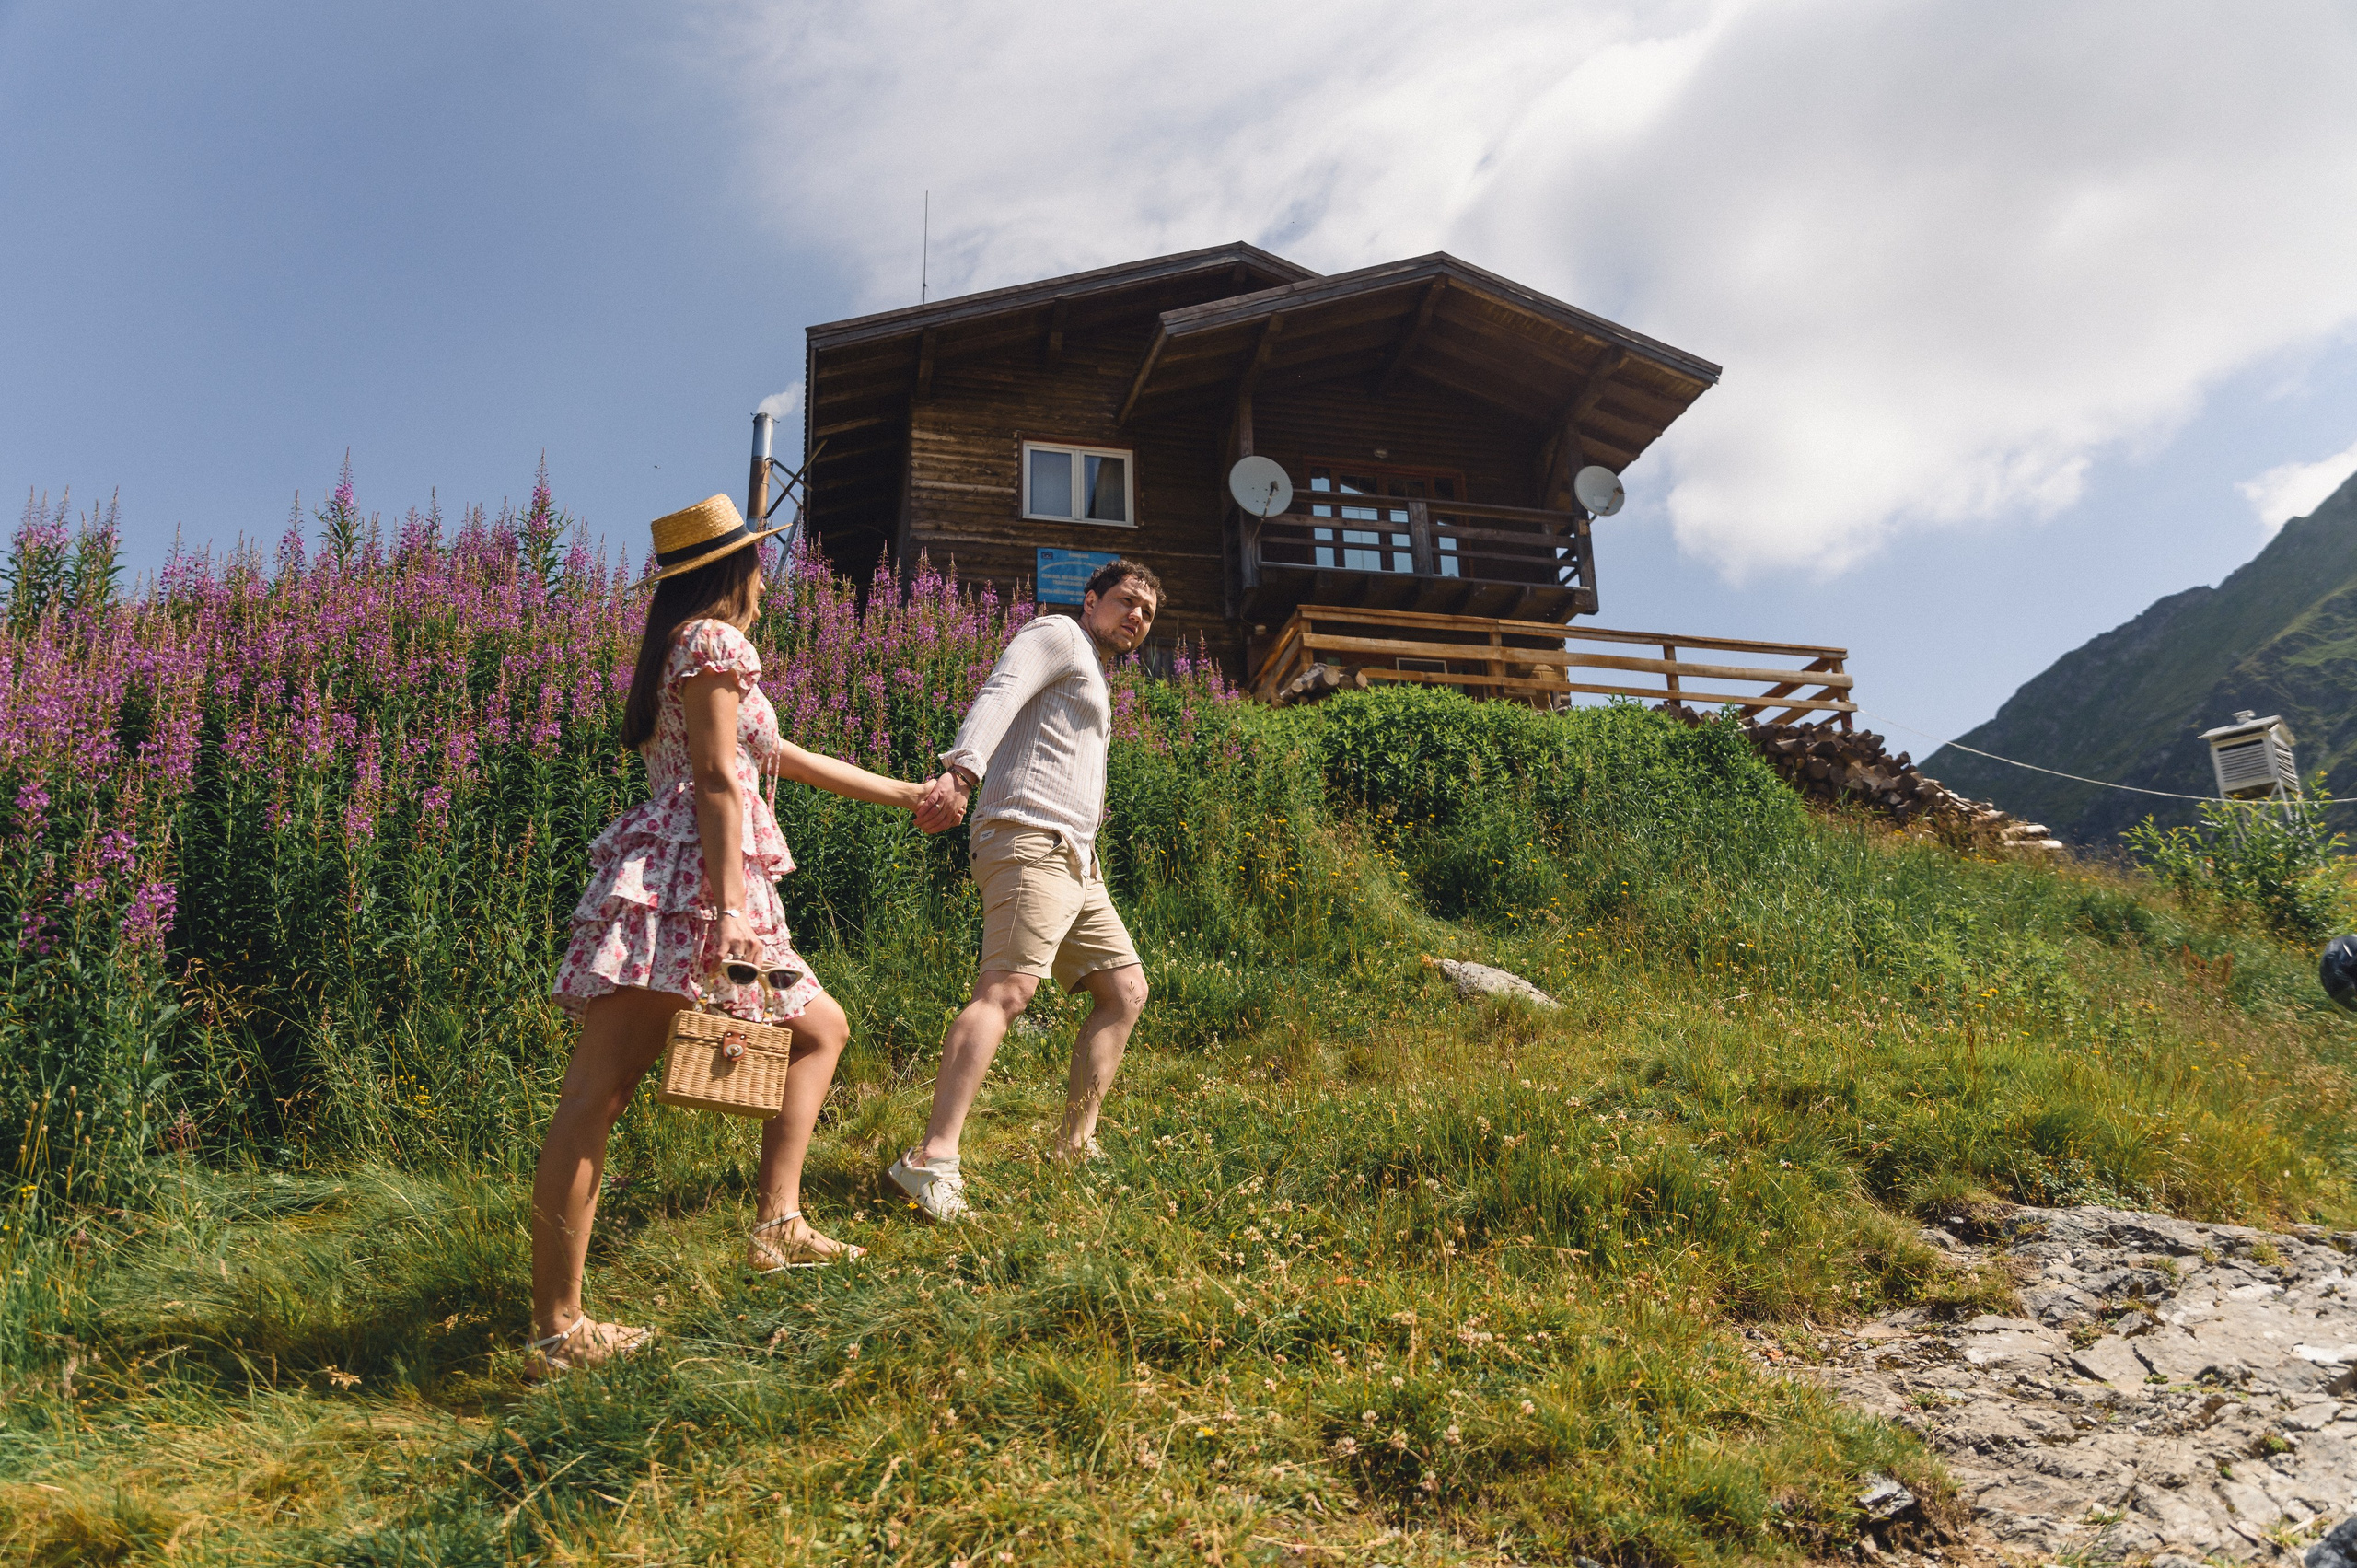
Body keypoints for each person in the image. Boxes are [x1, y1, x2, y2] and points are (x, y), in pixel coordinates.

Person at [529, 494, 941, 1376]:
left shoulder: (684, 651)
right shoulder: (717, 643)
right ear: (737, 570)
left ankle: (778, 1223)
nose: (767, 578)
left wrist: (905, 793)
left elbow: (774, 762)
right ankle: (558, 1330)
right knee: (595, 1097)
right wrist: (730, 912)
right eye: (760, 561)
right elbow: (718, 779)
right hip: (694, 883)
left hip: (693, 874)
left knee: (819, 1028)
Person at [885, 559, 1162, 1221]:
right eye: (1126, 601)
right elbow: (1001, 692)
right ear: (1091, 598)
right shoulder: (1058, 634)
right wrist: (960, 774)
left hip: (1075, 857)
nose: (1137, 617)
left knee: (1124, 990)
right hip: (1029, 836)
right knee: (1006, 991)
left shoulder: (1093, 669)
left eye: (1148, 613)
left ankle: (1075, 1143)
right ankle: (931, 1159)